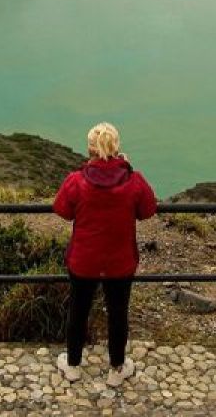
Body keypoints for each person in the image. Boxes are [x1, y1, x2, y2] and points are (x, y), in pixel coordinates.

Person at [52, 122, 157, 386]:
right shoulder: (133, 180)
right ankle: (116, 369)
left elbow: (62, 210)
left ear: (90, 149)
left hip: (84, 260)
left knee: (78, 310)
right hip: (120, 261)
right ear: (117, 148)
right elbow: (147, 210)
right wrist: (127, 169)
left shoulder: (77, 180)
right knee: (118, 313)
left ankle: (73, 365)